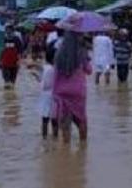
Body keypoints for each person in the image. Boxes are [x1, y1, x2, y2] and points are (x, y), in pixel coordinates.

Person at [52, 14, 93, 142]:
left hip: (62, 91)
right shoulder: (82, 51)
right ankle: (83, 146)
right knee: (81, 119)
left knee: (65, 122)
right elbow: (89, 71)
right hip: (78, 91)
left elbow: (55, 73)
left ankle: (66, 145)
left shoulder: (59, 53)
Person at [37, 44, 58, 139]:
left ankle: (44, 138)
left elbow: (44, 84)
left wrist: (38, 78)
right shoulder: (55, 69)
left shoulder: (47, 68)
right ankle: (55, 138)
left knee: (45, 120)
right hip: (54, 96)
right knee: (55, 120)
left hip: (46, 97)